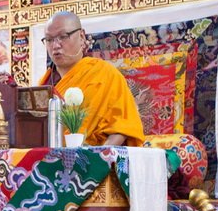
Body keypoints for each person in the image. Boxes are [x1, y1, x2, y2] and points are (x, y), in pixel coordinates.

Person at [40, 11, 145, 146]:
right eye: (49, 40)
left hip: (94, 154)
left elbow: (122, 128)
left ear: (82, 37)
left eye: (63, 37)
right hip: (50, 157)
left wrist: (98, 156)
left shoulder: (105, 74)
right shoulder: (45, 83)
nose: (55, 45)